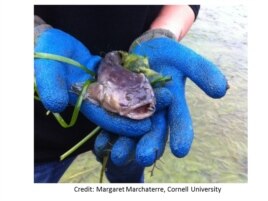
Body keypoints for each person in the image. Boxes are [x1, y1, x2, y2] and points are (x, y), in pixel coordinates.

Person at [34, 5, 228, 183]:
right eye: (130, 98)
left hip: (131, 138)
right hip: (42, 133)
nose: (145, 102)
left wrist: (163, 31)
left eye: (147, 94)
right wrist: (34, 33)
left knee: (130, 176)